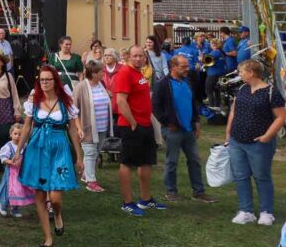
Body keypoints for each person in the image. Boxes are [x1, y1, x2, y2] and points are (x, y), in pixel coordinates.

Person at [16, 66, 83, 247]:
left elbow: (72, 130)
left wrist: (79, 156)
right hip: (37, 148)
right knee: (39, 193)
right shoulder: (34, 100)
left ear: (55, 81)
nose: (44, 82)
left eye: (48, 79)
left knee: (55, 197)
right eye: (42, 80)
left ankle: (58, 214)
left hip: (59, 148)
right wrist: (18, 150)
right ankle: (47, 238)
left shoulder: (65, 101)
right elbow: (27, 127)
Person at [225, 59, 286, 226]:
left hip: (258, 143)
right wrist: (228, 132)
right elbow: (234, 111)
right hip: (237, 140)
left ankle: (266, 212)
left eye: (241, 71)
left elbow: (281, 117)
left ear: (251, 73)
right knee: (241, 176)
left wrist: (267, 136)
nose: (239, 74)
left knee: (262, 176)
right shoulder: (242, 89)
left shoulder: (271, 92)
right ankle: (246, 211)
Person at [152, 55, 215, 204]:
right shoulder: (163, 84)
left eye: (187, 66)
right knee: (172, 162)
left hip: (189, 129)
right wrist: (166, 122)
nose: (187, 69)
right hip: (172, 130)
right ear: (173, 67)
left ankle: (198, 192)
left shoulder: (187, 82)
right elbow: (155, 106)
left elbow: (193, 103)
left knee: (194, 160)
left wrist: (196, 121)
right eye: (183, 67)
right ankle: (171, 192)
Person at [113, 46, 164, 217]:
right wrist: (133, 122)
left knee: (146, 161)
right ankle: (127, 202)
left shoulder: (139, 73)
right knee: (127, 163)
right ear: (129, 56)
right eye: (134, 56)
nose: (138, 59)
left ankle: (145, 199)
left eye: (141, 56)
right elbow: (121, 101)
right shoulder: (125, 73)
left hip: (145, 124)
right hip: (131, 126)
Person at [71, 60, 111, 193]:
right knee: (90, 153)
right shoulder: (80, 87)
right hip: (87, 127)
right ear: (93, 73)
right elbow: (73, 110)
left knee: (96, 152)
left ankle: (85, 174)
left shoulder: (101, 84)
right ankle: (91, 182)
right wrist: (79, 127)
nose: (103, 73)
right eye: (101, 71)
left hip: (102, 126)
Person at [0, 125, 34, 218]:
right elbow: (3, 158)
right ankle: (3, 204)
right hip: (11, 172)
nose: (17, 136)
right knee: (8, 188)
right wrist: (11, 162)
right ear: (11, 134)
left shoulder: (25, 146)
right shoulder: (8, 146)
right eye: (15, 134)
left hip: (21, 172)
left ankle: (15, 209)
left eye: (20, 134)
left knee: (19, 190)